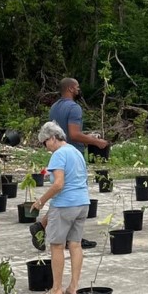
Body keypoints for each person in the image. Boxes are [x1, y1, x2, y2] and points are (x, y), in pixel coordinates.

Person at [29, 77, 106, 251]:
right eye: (77, 87)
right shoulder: (74, 108)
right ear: (71, 88)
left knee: (62, 197)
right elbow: (74, 134)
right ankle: (70, 238)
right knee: (74, 195)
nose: (79, 90)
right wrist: (96, 141)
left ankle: (43, 227)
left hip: (58, 155)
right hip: (73, 154)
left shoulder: (55, 107)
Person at [31, 122, 90, 294]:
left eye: (45, 142)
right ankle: (73, 287)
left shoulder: (59, 154)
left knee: (56, 245)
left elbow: (58, 184)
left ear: (53, 138)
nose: (45, 147)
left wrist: (41, 201)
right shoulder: (76, 152)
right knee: (75, 244)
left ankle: (56, 288)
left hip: (65, 205)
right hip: (82, 203)